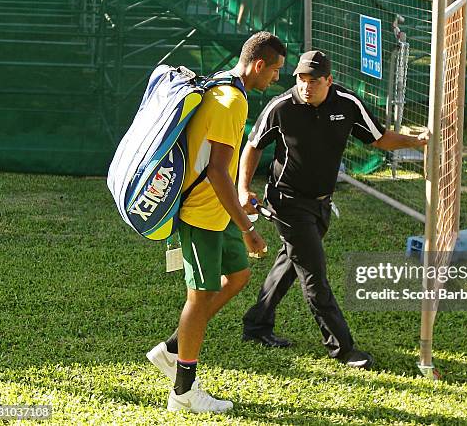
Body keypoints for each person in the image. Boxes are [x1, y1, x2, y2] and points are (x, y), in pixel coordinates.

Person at [239, 50, 428, 369]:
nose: (306, 86)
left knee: (289, 264)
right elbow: (253, 146)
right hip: (287, 202)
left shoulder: (348, 103)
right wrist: (243, 189)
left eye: (314, 80)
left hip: (322, 202)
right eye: (301, 79)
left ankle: (256, 325)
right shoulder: (281, 107)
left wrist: (419, 141)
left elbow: (379, 139)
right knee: (315, 277)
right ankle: (343, 349)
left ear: (329, 80)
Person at [145, 31, 286, 414]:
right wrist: (247, 227)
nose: (276, 78)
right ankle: (183, 393)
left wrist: (238, 207)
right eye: (275, 71)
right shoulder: (231, 102)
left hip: (218, 210)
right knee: (199, 297)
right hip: (201, 214)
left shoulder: (225, 82)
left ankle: (173, 349)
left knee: (238, 276)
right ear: (259, 65)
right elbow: (217, 172)